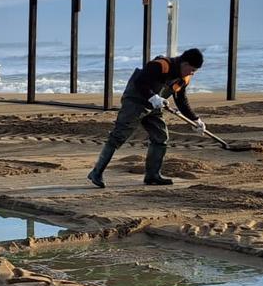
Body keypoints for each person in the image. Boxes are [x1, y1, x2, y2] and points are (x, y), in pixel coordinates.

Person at [87, 48, 206, 188]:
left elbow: (181, 100)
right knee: (119, 136)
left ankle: (152, 175)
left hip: (154, 107)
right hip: (135, 102)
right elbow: (140, 82)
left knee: (161, 137)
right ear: (184, 63)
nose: (192, 73)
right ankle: (96, 172)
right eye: (191, 69)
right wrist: (153, 97)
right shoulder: (160, 65)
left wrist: (195, 119)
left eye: (194, 71)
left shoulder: (184, 79)